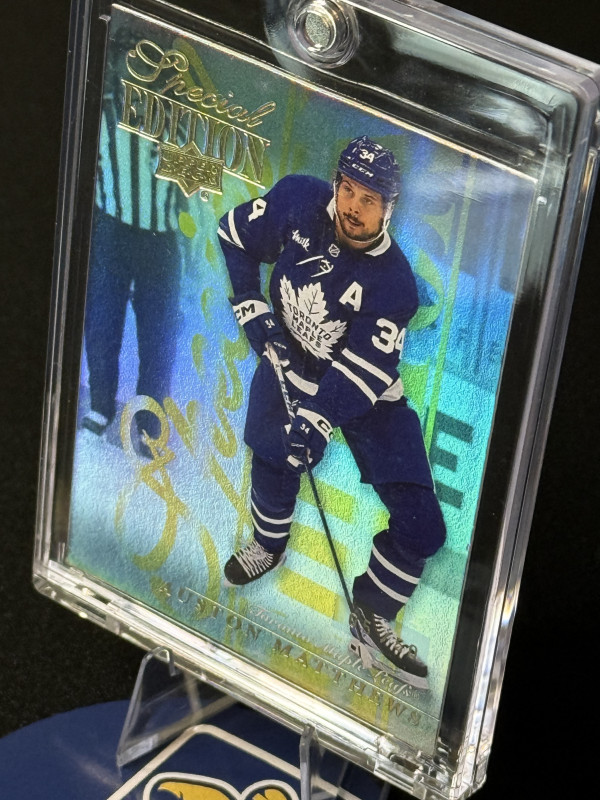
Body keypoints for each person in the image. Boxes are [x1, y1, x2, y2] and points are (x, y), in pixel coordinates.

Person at [217, 136, 446, 688]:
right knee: (273, 457)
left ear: (389, 209)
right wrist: (249, 302)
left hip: (366, 393)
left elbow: (362, 372)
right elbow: (234, 234)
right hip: (290, 361)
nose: (353, 207)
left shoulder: (395, 284)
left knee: (423, 526)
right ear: (336, 184)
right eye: (348, 190)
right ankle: (268, 545)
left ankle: (371, 614)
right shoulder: (298, 199)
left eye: (369, 200)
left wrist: (318, 419)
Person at [81, 27, 182, 453]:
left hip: (161, 238)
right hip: (112, 229)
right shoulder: (101, 109)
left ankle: (146, 420)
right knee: (102, 321)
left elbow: (198, 182)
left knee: (157, 334)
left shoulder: (180, 118)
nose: (141, 69)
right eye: (133, 57)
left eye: (152, 60)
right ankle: (101, 404)